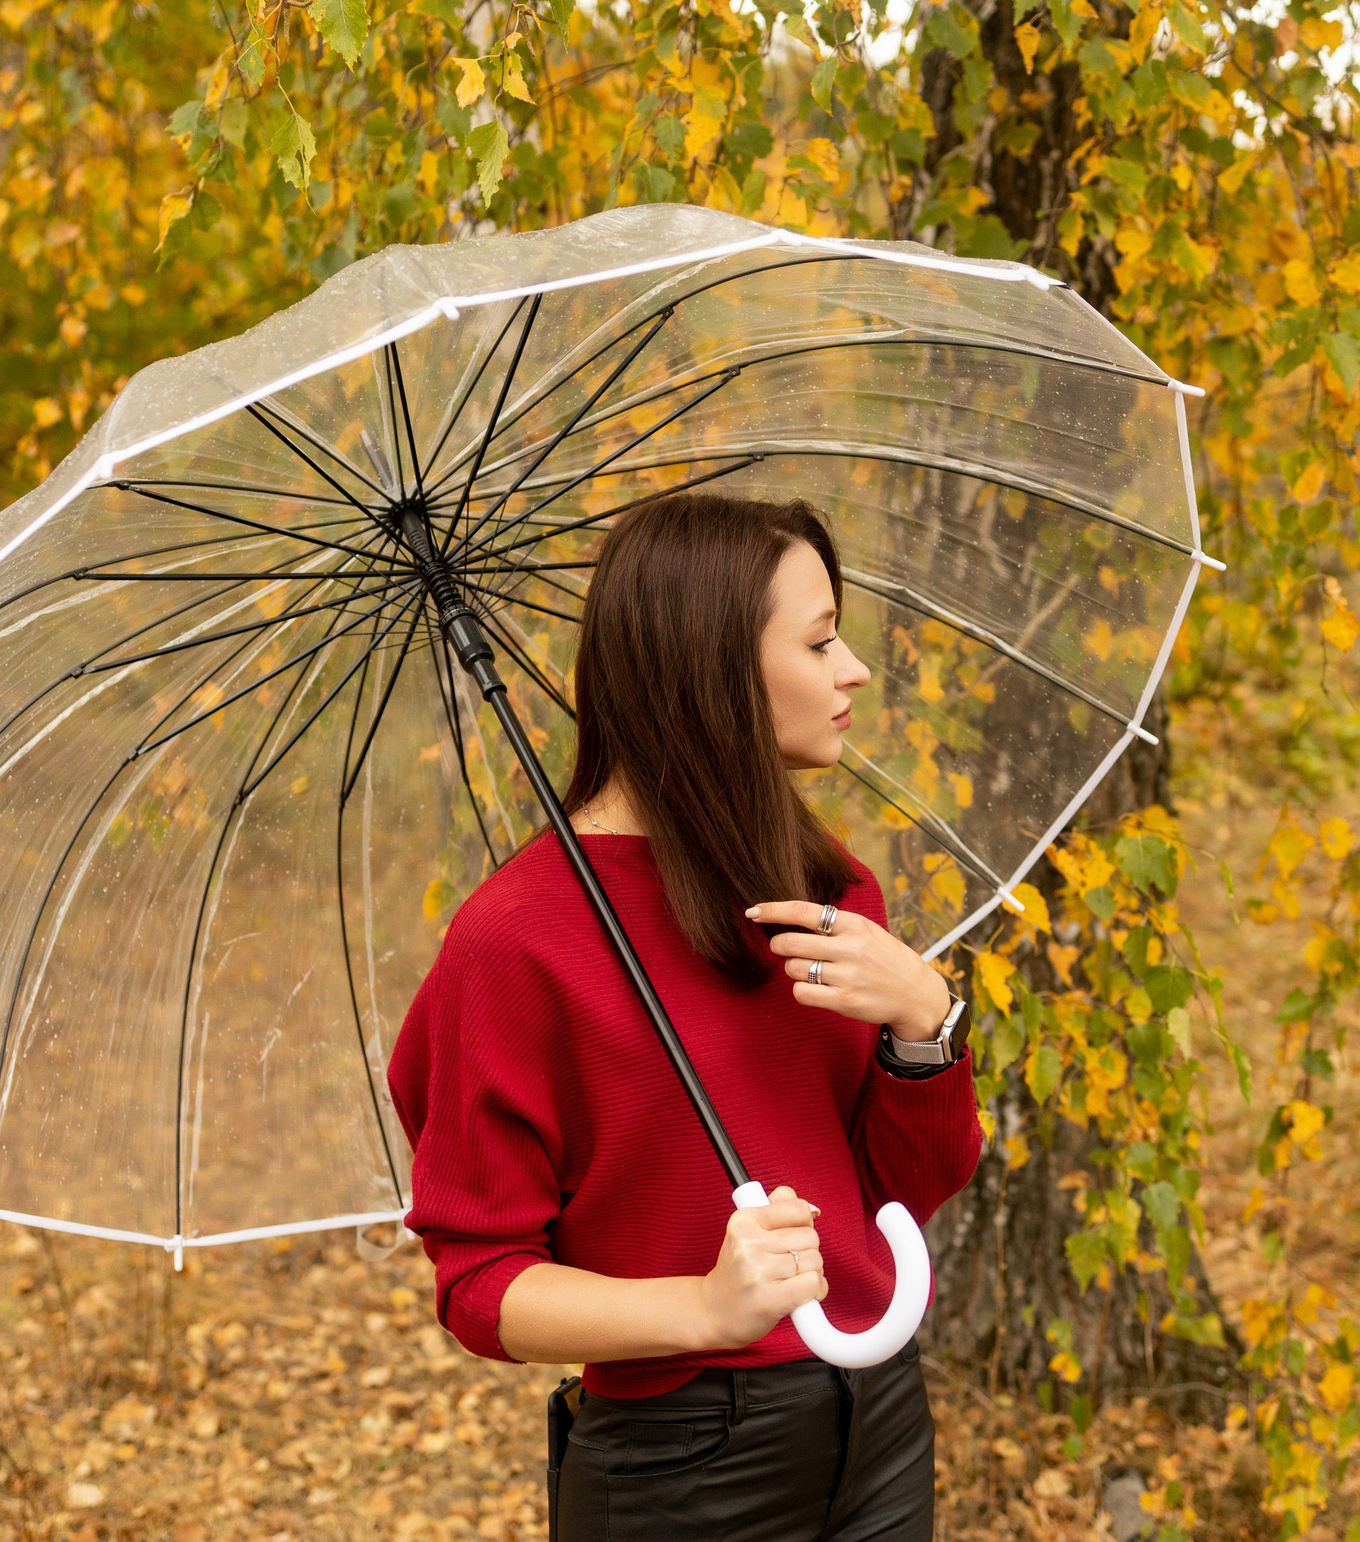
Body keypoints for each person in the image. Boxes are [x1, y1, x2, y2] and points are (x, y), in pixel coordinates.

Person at [386, 493, 983, 1541]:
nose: (853, 671)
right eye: (819, 640)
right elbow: (480, 1286)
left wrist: (924, 1028)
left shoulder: (821, 893)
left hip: (880, 1417)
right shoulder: (514, 943)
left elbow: (894, 1195)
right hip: (682, 1463)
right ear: (712, 673)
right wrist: (702, 1309)